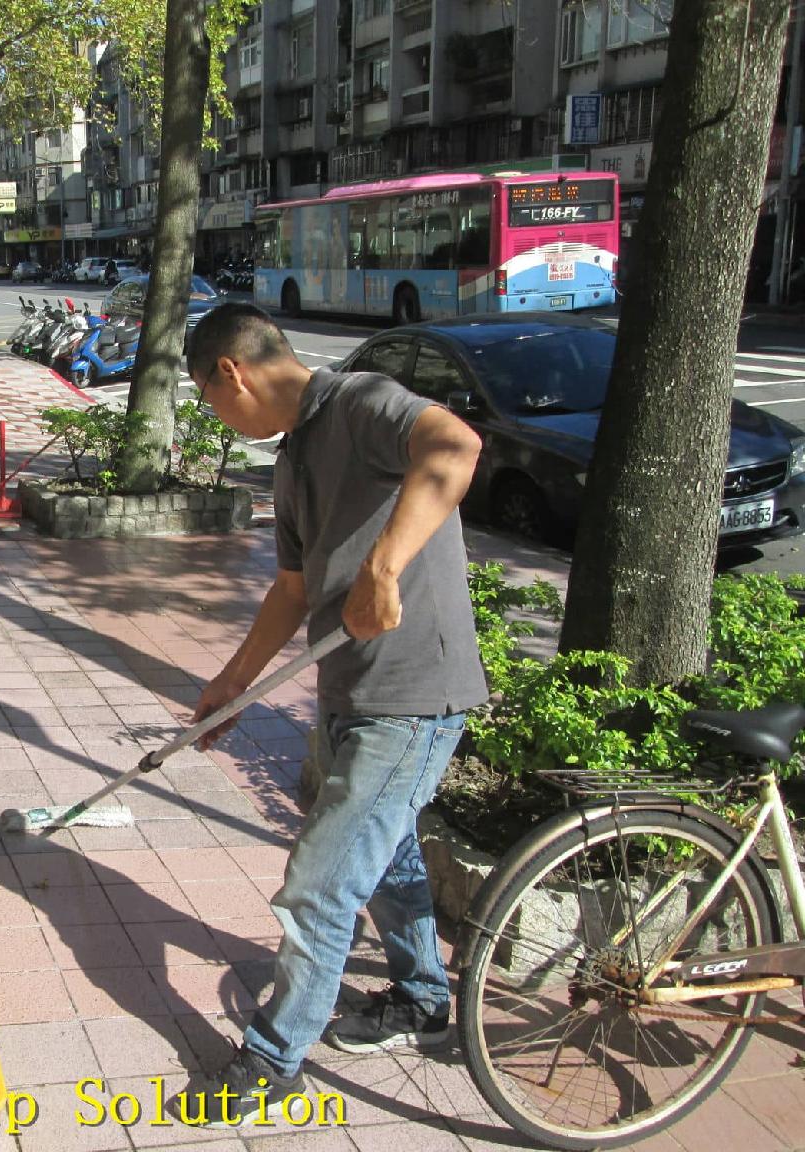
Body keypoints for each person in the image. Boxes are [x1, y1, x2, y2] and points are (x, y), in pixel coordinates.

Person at [178, 301, 487, 1126]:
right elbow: (293, 590)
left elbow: (455, 447)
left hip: (412, 697)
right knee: (384, 857)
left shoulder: (361, 402)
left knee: (319, 883)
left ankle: (274, 1060)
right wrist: (232, 683)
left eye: (209, 399)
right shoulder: (292, 459)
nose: (217, 415)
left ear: (232, 373)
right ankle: (423, 999)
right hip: (351, 690)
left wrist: (385, 567)